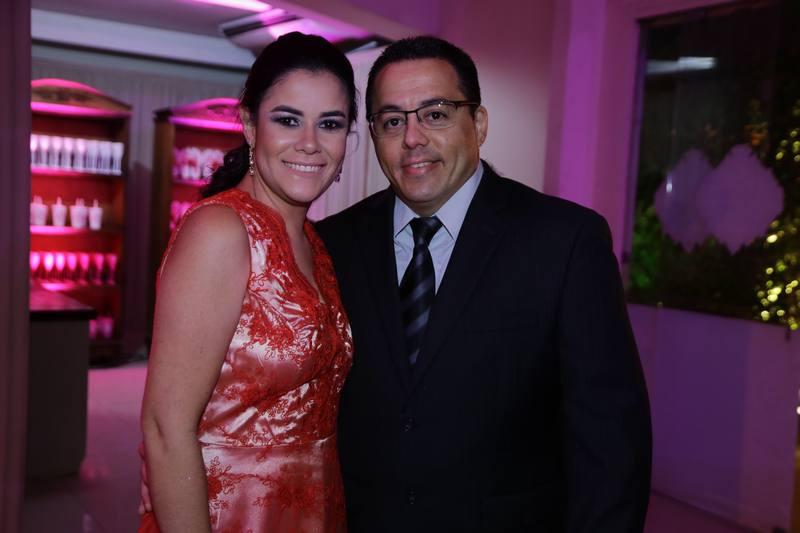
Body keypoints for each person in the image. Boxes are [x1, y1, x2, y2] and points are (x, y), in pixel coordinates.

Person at [315, 36, 653, 532]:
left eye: (435, 114)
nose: (412, 138)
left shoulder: (564, 241)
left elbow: (610, 442)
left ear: (478, 124)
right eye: (392, 121)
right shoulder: (332, 243)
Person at [138, 32, 356, 533]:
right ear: (250, 125)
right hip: (230, 515)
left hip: (315, 511)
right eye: (288, 119)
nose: (310, 142)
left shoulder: (315, 243)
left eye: (330, 123)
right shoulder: (221, 230)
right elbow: (166, 427)